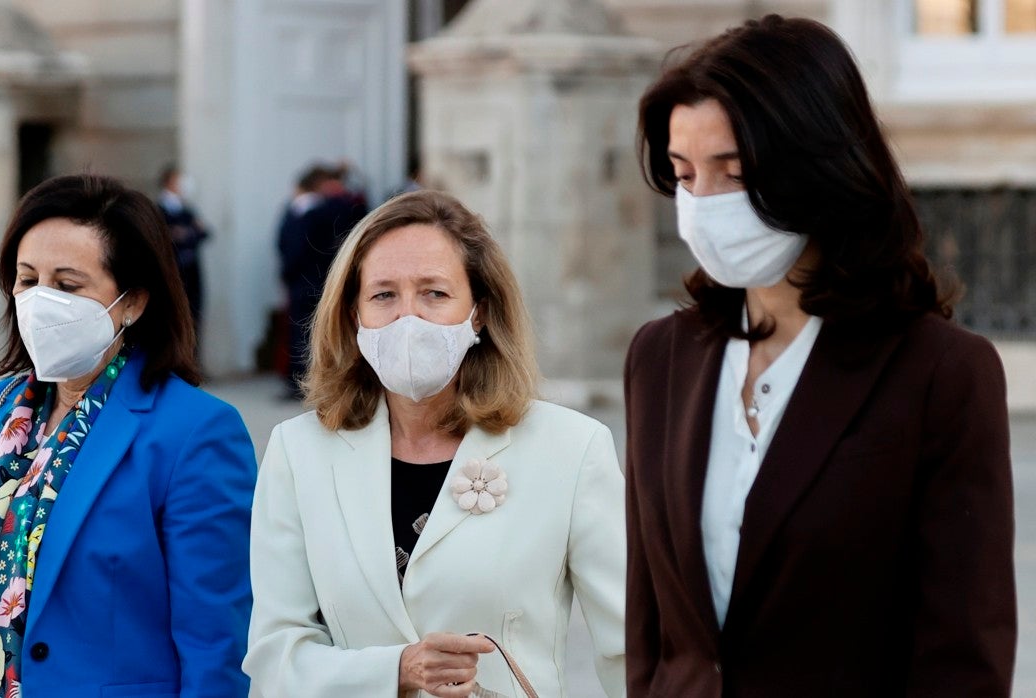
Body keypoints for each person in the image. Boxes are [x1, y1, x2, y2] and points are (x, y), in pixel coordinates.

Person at [625, 15, 1016, 696]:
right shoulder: (661, 358)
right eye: (684, 175)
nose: (702, 206)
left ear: (819, 168)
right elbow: (654, 635)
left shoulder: (941, 374)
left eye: (734, 172)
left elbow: (963, 656)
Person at [245, 189, 627, 697]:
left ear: (480, 313)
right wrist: (394, 671)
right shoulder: (299, 452)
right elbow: (275, 657)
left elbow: (631, 647)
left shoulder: (572, 449)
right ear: (353, 315)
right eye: (384, 295)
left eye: (435, 293)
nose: (409, 318)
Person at [0, 174, 256, 697]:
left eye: (67, 285)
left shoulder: (196, 432)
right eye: (26, 279)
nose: (40, 301)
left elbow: (216, 642)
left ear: (132, 302)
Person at [276, 163, 366, 399]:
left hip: (307, 280)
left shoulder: (307, 210)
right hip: (314, 280)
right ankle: (304, 381)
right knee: (306, 331)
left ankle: (302, 382)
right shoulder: (322, 209)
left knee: (305, 331)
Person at [156, 164, 211, 341]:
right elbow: (164, 237)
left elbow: (204, 232)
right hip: (174, 272)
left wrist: (185, 233)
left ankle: (193, 363)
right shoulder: (160, 210)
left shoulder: (187, 210)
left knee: (195, 317)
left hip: (192, 272)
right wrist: (184, 233)